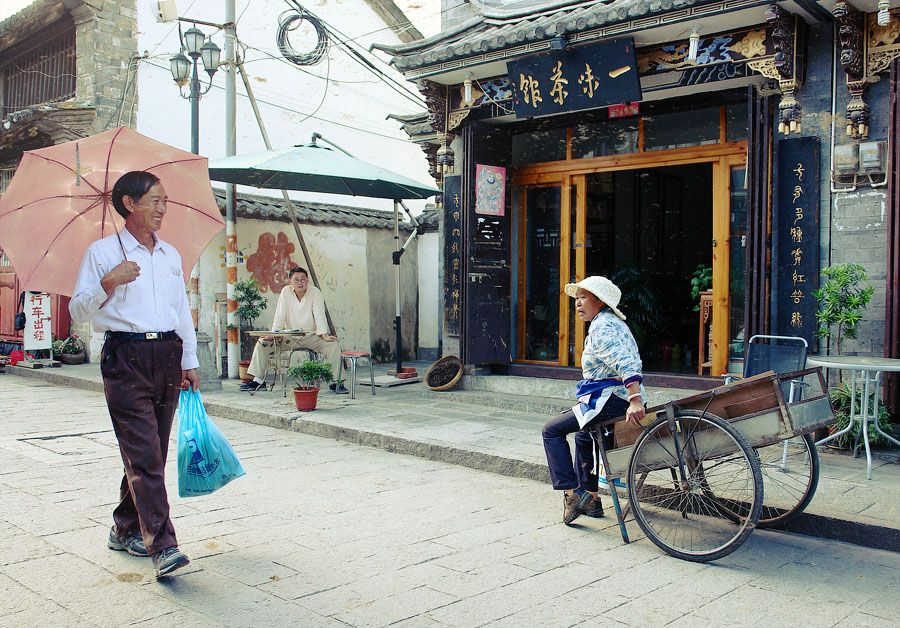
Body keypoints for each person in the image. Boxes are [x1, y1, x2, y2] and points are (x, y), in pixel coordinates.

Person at [70, 171, 196, 578]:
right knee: (144, 454)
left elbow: (182, 313)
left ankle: (124, 526)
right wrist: (109, 281)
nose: (162, 208)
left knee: (151, 453)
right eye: (154, 200)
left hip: (167, 354)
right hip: (125, 356)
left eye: (165, 201)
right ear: (129, 203)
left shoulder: (170, 255)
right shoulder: (103, 252)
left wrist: (189, 361)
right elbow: (78, 310)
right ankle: (163, 545)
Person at [541, 275, 646, 525]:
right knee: (582, 435)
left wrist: (635, 399)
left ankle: (572, 494)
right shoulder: (612, 322)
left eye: (583, 297)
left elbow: (626, 361)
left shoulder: (602, 327)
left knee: (551, 431)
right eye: (576, 299)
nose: (577, 303)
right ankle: (592, 499)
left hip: (609, 398)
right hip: (612, 397)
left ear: (599, 301)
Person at [241, 266, 346, 393]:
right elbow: (280, 315)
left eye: (303, 279)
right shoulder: (286, 292)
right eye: (296, 279)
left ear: (307, 281)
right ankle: (258, 381)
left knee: (333, 344)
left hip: (311, 336)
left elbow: (319, 314)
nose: (300, 282)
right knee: (263, 342)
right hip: (289, 336)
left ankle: (335, 382)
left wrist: (323, 334)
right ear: (290, 281)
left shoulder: (315, 292)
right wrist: (273, 334)